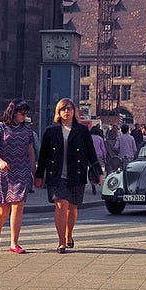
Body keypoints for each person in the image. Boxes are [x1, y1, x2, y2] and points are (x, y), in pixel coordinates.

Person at [35, 98, 102, 254]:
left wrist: (97, 171)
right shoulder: (51, 131)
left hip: (76, 173)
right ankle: (61, 242)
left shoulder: (82, 130)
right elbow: (43, 155)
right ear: (58, 112)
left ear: (74, 111)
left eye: (69, 109)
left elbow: (91, 152)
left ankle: (69, 234)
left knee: (72, 208)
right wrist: (39, 175)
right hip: (56, 174)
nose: (66, 112)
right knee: (61, 205)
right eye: (63, 109)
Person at [0, 99, 36, 253]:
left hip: (21, 171)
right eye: (22, 113)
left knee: (18, 205)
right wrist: (0, 161)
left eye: (26, 114)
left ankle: (14, 243)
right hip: (2, 172)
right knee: (3, 210)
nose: (24, 116)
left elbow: (31, 153)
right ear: (13, 112)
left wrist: (35, 173)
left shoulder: (27, 131)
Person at [90, 125, 107, 192]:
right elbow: (103, 148)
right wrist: (105, 158)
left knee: (91, 170)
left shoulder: (89, 138)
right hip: (99, 156)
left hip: (90, 156)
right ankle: (99, 181)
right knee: (99, 170)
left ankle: (93, 184)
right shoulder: (100, 138)